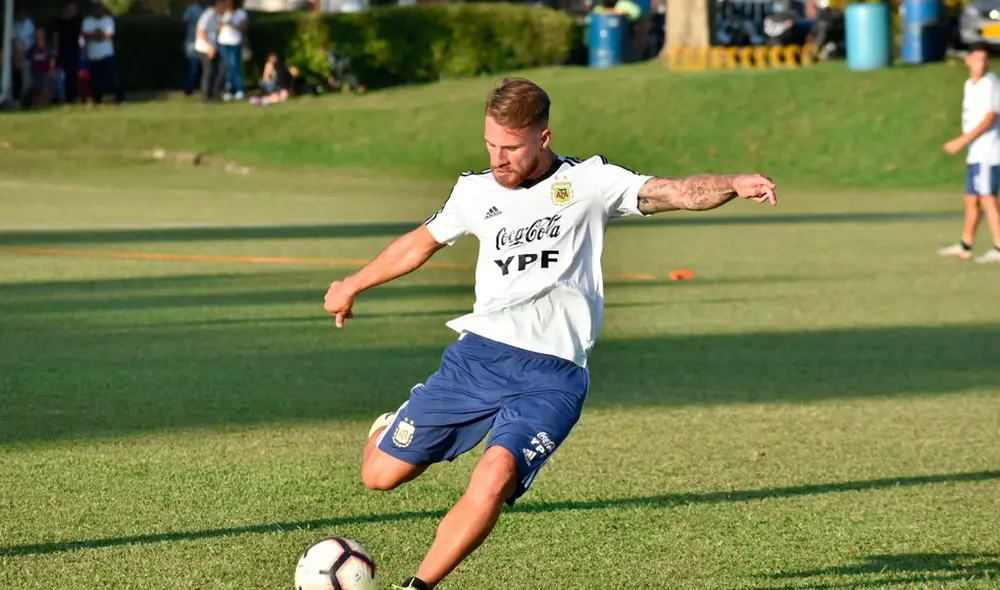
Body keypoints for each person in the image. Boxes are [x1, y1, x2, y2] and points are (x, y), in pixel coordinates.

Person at [322, 77, 778, 590]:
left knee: (494, 476)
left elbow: (674, 191)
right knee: (378, 477)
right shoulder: (474, 190)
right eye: (491, 145)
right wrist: (352, 284)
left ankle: (418, 586)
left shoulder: (589, 182)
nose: (498, 159)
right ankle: (390, 425)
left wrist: (733, 183)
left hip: (554, 376)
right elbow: (420, 243)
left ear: (543, 138)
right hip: (480, 358)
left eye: (510, 149)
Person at [940, 43, 1000, 263]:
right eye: (977, 59)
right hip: (975, 152)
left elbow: (989, 118)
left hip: (988, 151)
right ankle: (965, 245)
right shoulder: (969, 84)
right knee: (971, 199)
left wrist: (961, 141)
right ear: (968, 61)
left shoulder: (990, 84)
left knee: (987, 199)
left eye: (984, 59)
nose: (981, 63)